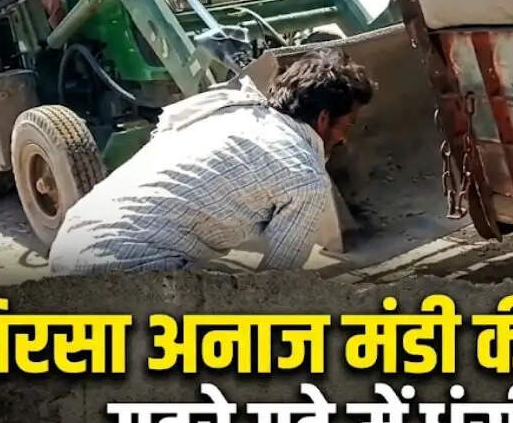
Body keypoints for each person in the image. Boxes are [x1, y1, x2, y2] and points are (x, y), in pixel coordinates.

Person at [49, 48, 373, 275]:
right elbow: (278, 280)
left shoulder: (227, 108)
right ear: (323, 118)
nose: (343, 138)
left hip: (70, 245)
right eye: (347, 125)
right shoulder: (303, 175)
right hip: (125, 272)